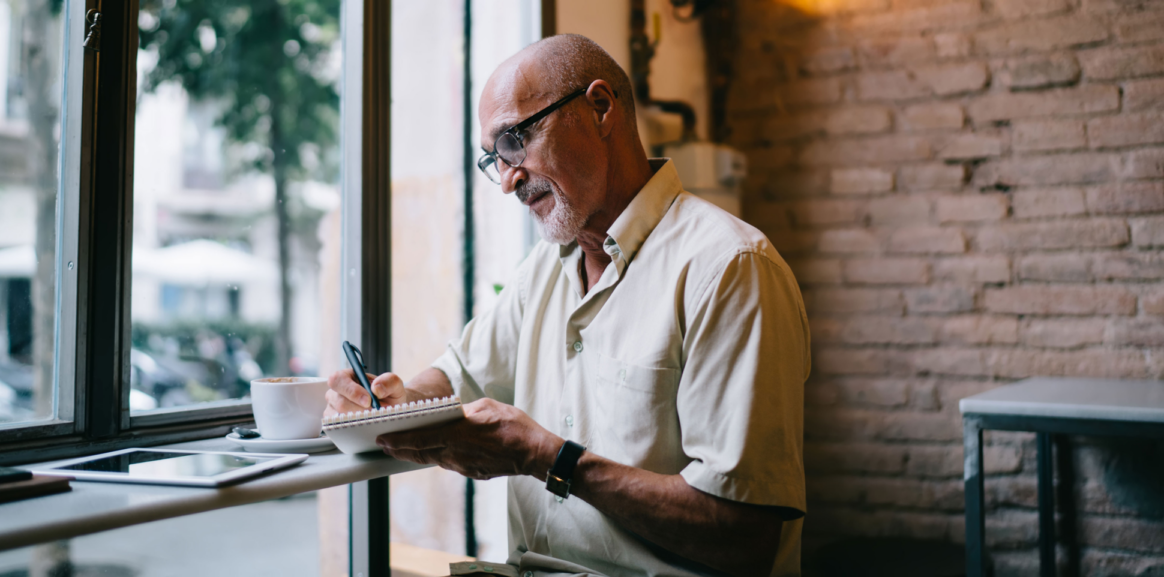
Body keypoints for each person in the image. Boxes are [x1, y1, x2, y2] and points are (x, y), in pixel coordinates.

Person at [326, 34, 810, 577]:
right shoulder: (544, 270)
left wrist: (548, 458)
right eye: (495, 158)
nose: (508, 180)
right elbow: (456, 376)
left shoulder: (729, 268)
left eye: (515, 140)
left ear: (600, 108)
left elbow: (746, 535)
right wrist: (388, 404)